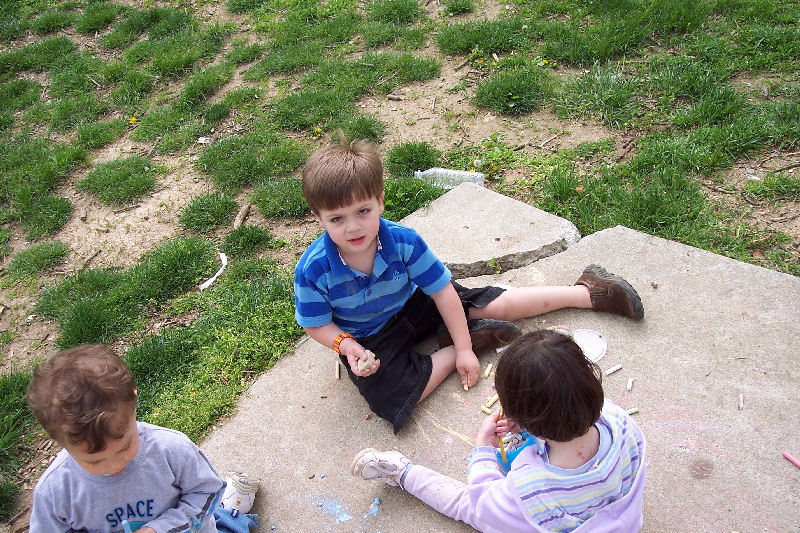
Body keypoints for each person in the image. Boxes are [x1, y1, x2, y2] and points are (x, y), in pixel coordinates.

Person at [294, 134, 644, 433]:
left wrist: (463, 349)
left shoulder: (403, 241)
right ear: (318, 217)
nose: (353, 227)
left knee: (492, 303)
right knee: (390, 398)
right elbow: (315, 323)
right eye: (337, 219)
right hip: (368, 335)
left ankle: (587, 292)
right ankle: (468, 342)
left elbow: (442, 292)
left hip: (416, 303)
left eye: (363, 211)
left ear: (380, 201)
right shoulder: (313, 269)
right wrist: (345, 345)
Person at [351, 329, 647, 532]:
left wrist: (483, 450)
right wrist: (531, 428)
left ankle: (403, 473)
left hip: (547, 518)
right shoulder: (620, 420)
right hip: (622, 521)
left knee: (466, 504)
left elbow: (483, 503)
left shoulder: (531, 486)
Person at [26, 344, 260, 533]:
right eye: (95, 461)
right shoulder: (55, 492)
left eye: (125, 447)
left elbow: (208, 489)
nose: (115, 466)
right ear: (60, 441)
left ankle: (232, 504)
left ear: (134, 402)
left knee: (220, 515)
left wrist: (159, 529)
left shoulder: (170, 449)